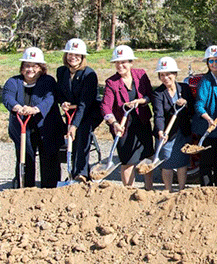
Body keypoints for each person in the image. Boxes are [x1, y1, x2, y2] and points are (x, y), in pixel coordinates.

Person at [3, 47, 64, 188]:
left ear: (41, 68)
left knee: (49, 158)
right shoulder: (13, 81)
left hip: (46, 127)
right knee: (25, 158)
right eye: (27, 65)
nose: (30, 69)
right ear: (22, 67)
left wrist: (35, 109)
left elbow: (49, 99)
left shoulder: (48, 81)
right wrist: (18, 108)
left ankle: (50, 190)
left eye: (35, 66)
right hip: (23, 128)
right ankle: (25, 188)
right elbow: (7, 97)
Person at [101, 45, 155, 189]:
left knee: (147, 157)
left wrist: (141, 101)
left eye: (124, 62)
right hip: (123, 127)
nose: (120, 65)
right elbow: (105, 106)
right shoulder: (111, 82)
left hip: (142, 123)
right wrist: (114, 123)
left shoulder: (141, 75)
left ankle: (148, 189)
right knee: (128, 160)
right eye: (117, 62)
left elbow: (150, 95)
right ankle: (128, 191)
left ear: (131, 62)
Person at [55, 38, 101, 181]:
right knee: (67, 138)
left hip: (89, 111)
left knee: (81, 134)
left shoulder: (89, 74)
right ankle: (69, 172)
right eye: (70, 54)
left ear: (82, 57)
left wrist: (74, 125)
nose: (73, 57)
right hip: (71, 111)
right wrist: (63, 102)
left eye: (77, 55)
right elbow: (60, 93)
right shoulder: (62, 71)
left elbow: (85, 103)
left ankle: (81, 174)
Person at [152, 57, 194, 192]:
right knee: (167, 163)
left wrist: (186, 104)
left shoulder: (184, 88)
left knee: (182, 162)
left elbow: (192, 109)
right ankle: (168, 190)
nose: (165, 78)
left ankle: (181, 190)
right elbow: (158, 115)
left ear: (175, 74)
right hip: (167, 134)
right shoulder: (158, 93)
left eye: (168, 74)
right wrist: (160, 131)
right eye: (162, 75)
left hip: (183, 131)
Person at [192, 45, 217, 187]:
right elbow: (199, 105)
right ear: (207, 63)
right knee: (207, 161)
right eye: (211, 61)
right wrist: (208, 119)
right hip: (207, 126)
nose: (214, 64)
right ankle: (206, 189)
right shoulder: (205, 82)